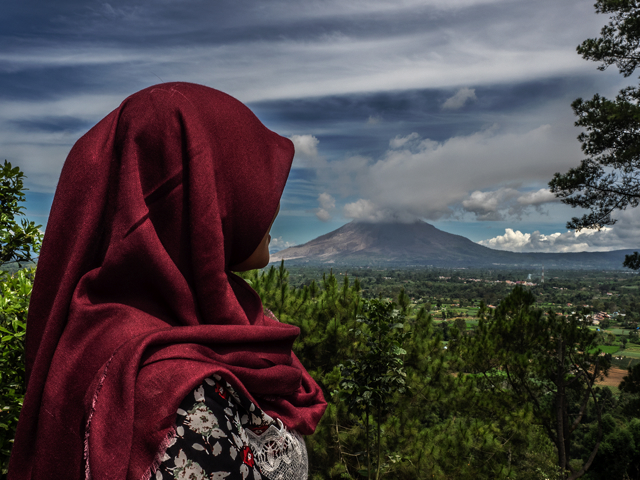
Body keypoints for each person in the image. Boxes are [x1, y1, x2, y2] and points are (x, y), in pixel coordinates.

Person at [7, 83, 327, 480]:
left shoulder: (214, 321)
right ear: (197, 198)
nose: (273, 204)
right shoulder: (172, 394)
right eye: (251, 181)